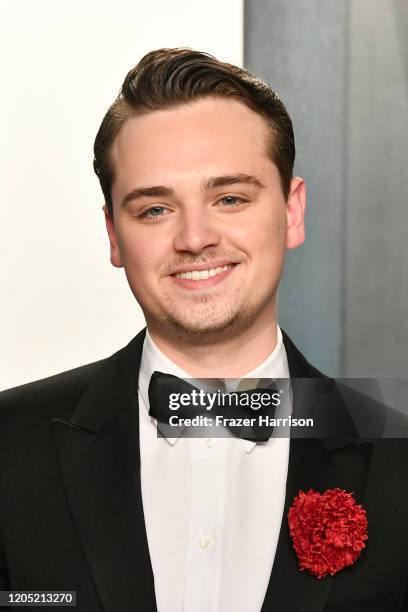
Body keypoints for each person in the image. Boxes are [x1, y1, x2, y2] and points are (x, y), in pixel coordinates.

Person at [0, 48, 407, 612]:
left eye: (230, 198)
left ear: (291, 212)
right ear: (114, 235)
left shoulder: (399, 461)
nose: (195, 237)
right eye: (154, 210)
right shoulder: (9, 446)